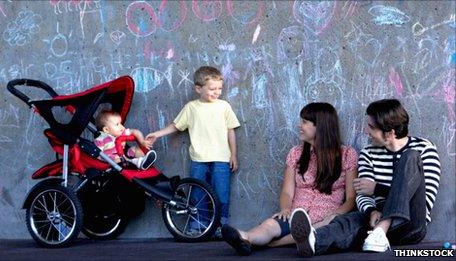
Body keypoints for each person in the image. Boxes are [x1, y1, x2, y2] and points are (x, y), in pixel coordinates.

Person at [290, 98, 441, 256]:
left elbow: (426, 200)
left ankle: (381, 230)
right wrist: (371, 211)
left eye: (371, 127)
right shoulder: (368, 153)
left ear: (389, 133)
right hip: (374, 221)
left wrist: (377, 188)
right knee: (348, 220)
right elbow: (362, 194)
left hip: (409, 223)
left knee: (410, 156)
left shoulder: (424, 149)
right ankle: (314, 240)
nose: (366, 131)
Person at [221, 102, 358, 255]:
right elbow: (287, 191)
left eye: (304, 122)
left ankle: (271, 244)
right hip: (296, 216)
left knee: (324, 227)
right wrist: (285, 209)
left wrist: (337, 214)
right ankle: (245, 237)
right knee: (270, 224)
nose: (300, 126)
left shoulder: (347, 155)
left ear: (320, 126)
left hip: (326, 218)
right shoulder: (296, 154)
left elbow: (351, 198)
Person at [145, 66, 240, 236]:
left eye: (219, 88)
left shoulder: (224, 106)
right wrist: (157, 135)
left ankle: (221, 226)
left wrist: (233, 154)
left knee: (222, 194)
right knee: (197, 194)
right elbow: (176, 125)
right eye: (212, 89)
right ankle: (198, 224)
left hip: (221, 159)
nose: (217, 92)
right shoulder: (191, 108)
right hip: (199, 159)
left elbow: (230, 131)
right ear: (198, 88)